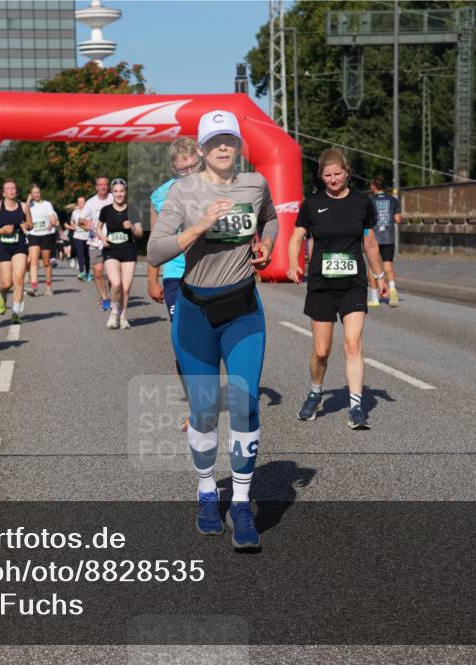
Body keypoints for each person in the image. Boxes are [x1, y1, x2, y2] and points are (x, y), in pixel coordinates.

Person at [147, 110, 277, 551]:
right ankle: (206, 492)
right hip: (195, 313)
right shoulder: (182, 192)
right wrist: (200, 225)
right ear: (202, 149)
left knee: (244, 405)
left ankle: (241, 504)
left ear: (238, 146)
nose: (223, 147)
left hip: (243, 310)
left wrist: (266, 245)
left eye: (230, 140)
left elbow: (272, 218)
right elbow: (154, 252)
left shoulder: (254, 184)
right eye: (214, 141)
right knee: (203, 411)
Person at [287, 148, 388, 430]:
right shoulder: (312, 203)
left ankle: (356, 407)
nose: (333, 179)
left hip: (353, 284)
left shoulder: (361, 202)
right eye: (328, 175)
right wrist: (293, 264)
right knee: (322, 351)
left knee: (353, 344)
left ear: (347, 173)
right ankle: (315, 392)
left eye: (338, 174)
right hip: (322, 284)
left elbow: (370, 243)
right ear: (321, 176)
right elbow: (296, 238)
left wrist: (379, 276)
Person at [147, 137, 201, 430]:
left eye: (193, 167)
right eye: (182, 170)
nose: (189, 174)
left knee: (208, 339)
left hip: (210, 272)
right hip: (175, 274)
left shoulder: (218, 185)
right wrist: (152, 278)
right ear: (173, 168)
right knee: (182, 342)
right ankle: (196, 407)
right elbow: (156, 241)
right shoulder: (160, 195)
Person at [0, 178, 33, 325]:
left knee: (18, 279)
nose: (12, 191)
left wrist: (27, 226)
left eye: (13, 188)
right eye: (8, 189)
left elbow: (30, 224)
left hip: (19, 245)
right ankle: (2, 294)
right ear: (4, 193)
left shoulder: (23, 206)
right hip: (2, 246)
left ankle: (16, 313)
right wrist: (2, 230)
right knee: (6, 283)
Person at [97, 178, 143, 329]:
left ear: (125, 192)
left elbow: (140, 233)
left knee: (126, 287)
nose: (119, 194)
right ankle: (113, 313)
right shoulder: (106, 210)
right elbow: (98, 227)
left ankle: (123, 317)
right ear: (112, 192)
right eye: (116, 191)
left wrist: (132, 227)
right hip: (111, 250)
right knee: (116, 283)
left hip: (128, 250)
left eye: (121, 191)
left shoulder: (133, 210)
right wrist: (103, 238)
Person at [366, 175, 402, 307]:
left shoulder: (369, 201)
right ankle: (392, 290)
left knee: (372, 268)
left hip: (374, 239)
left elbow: (366, 221)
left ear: (374, 186)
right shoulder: (393, 199)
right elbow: (398, 219)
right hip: (389, 237)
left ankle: (375, 298)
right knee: (388, 266)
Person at [82, 176, 113, 310]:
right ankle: (105, 299)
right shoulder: (90, 203)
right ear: (96, 187)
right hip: (96, 241)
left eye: (105, 184)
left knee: (112, 274)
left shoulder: (114, 198)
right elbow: (81, 220)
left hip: (112, 240)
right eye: (100, 184)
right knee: (98, 272)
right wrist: (86, 225)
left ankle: (111, 296)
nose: (103, 187)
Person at [25, 184, 58, 297]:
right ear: (31, 194)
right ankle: (34, 286)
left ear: (40, 193)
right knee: (33, 261)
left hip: (46, 235)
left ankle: (48, 287)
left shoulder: (47, 204)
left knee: (46, 262)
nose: (36, 195)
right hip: (33, 235)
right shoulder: (28, 205)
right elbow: (22, 214)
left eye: (38, 192)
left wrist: (52, 222)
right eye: (33, 193)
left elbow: (53, 217)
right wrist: (28, 201)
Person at [69, 196, 90, 280]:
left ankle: (88, 273)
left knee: (87, 255)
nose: (80, 203)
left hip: (87, 236)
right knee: (80, 254)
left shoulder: (88, 211)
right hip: (77, 236)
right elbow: (72, 221)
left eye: (82, 201)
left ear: (85, 202)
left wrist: (82, 224)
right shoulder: (75, 212)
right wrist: (73, 225)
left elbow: (90, 223)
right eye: (79, 202)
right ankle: (81, 272)